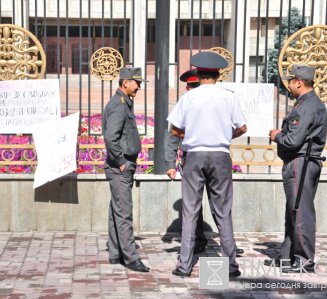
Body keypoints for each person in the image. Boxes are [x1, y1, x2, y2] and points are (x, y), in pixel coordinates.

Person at [167, 52, 247, 277]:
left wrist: (191, 133)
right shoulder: (228, 96)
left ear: (198, 74)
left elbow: (173, 129)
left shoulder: (189, 98)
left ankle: (184, 265)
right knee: (223, 212)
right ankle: (231, 265)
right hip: (221, 155)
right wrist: (223, 135)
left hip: (195, 155)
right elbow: (242, 128)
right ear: (218, 74)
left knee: (190, 211)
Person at [266, 64, 327, 273]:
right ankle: (288, 256)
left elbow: (293, 141)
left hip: (300, 163)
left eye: (291, 81)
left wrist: (277, 136)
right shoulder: (307, 103)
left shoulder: (306, 106)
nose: (289, 85)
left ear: (299, 82)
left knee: (301, 212)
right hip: (302, 162)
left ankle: (304, 260)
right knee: (293, 211)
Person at [102, 67, 150, 273]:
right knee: (124, 213)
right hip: (120, 167)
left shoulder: (123, 103)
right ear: (125, 82)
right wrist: (121, 161)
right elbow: (110, 138)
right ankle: (131, 258)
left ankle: (115, 253)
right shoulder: (119, 106)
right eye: (136, 82)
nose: (139, 86)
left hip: (122, 166)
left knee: (117, 211)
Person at [165, 68, 208, 254]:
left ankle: (203, 242)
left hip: (212, 159)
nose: (192, 89)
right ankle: (196, 240)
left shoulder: (210, 103)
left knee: (218, 205)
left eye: (195, 85)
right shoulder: (184, 104)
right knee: (192, 203)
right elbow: (173, 136)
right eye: (190, 86)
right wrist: (170, 164)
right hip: (191, 158)